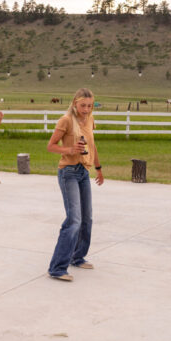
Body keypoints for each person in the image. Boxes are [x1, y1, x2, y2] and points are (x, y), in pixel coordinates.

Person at [46, 88, 103, 282]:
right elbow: (51, 146)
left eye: (90, 105)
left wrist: (99, 168)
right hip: (68, 172)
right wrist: (70, 149)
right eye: (83, 105)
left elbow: (92, 145)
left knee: (87, 218)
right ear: (74, 103)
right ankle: (57, 267)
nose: (86, 109)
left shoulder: (90, 119)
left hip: (84, 173)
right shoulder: (66, 120)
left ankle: (77, 257)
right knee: (74, 220)